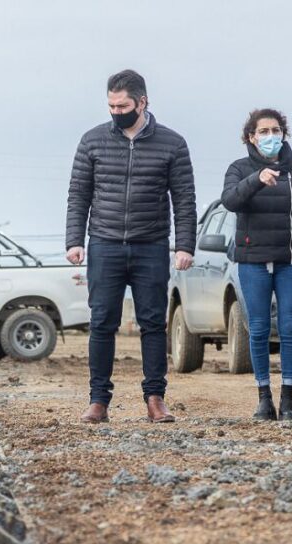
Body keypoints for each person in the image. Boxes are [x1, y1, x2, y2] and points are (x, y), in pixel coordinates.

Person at [65, 69, 197, 424]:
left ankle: (155, 399)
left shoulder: (172, 143)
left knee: (153, 324)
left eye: (122, 105)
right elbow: (79, 193)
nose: (115, 111)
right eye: (110, 105)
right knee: (102, 323)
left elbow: (184, 199)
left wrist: (185, 245)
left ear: (142, 102)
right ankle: (98, 401)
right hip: (104, 244)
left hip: (151, 245)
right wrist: (74, 240)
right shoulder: (92, 141)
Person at [221, 108, 292, 421]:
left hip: (291, 260)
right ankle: (263, 397)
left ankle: (288, 399)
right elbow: (230, 200)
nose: (270, 136)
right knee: (259, 328)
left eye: (275, 130)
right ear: (251, 137)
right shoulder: (239, 169)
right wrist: (256, 180)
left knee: (290, 326)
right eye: (263, 131)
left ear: (284, 134)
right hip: (252, 261)